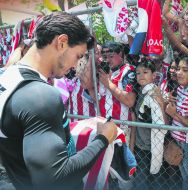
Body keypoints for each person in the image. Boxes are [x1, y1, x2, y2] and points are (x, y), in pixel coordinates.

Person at [0, 12, 117, 190]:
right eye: (78, 56)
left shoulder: (7, 77)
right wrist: (103, 139)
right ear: (61, 42)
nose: (75, 65)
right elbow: (56, 179)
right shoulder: (39, 96)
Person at [132, 58, 167, 190]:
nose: (141, 75)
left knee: (151, 178)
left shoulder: (153, 93)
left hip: (151, 146)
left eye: (145, 72)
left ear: (154, 75)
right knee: (143, 177)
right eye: (138, 73)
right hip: (142, 143)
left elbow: (162, 123)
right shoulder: (142, 91)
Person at [165, 56, 188, 190]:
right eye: (178, 69)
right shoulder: (180, 89)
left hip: (187, 142)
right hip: (177, 139)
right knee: (184, 176)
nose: (179, 73)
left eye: (185, 70)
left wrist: (174, 115)